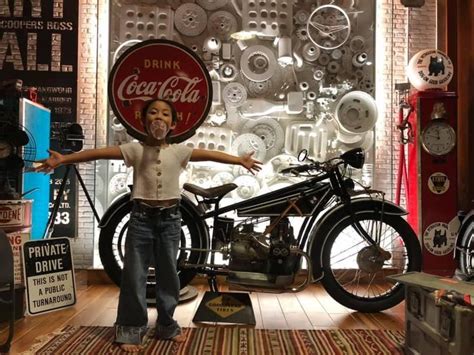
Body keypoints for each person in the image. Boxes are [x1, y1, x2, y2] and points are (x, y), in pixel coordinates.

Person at [35, 98, 262, 353]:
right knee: (134, 275)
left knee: (169, 276)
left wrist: (239, 160)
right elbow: (100, 153)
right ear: (143, 121)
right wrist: (64, 160)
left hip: (171, 220)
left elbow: (208, 154)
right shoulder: (135, 150)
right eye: (153, 113)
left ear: (173, 123)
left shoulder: (179, 151)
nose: (159, 117)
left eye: (165, 114)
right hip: (140, 219)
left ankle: (167, 325)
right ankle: (130, 329)